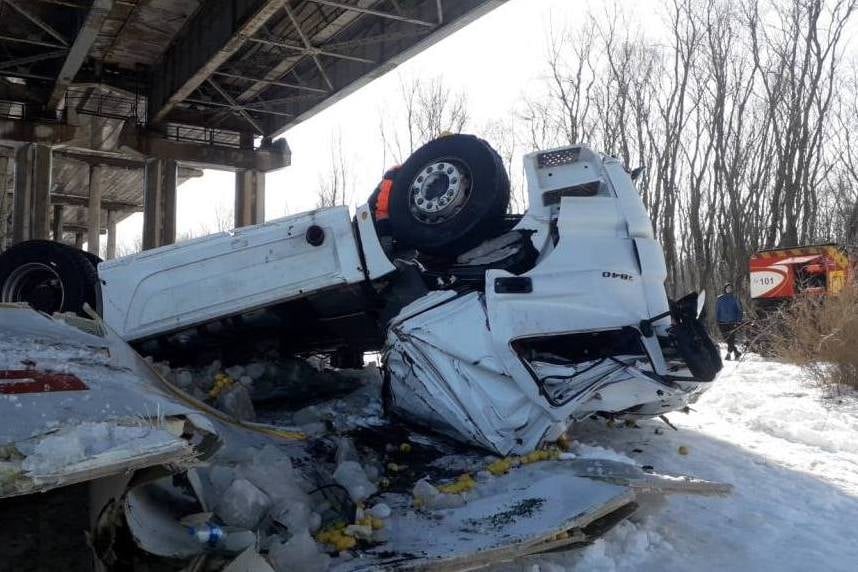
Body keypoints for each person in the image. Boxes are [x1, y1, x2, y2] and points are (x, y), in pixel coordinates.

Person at [716, 282, 743, 360]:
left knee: (731, 338)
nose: (729, 289)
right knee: (727, 339)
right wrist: (717, 320)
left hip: (732, 322)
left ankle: (728, 354)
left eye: (730, 288)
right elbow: (717, 311)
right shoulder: (720, 299)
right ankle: (736, 352)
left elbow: (740, 311)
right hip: (721, 322)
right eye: (727, 288)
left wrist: (738, 321)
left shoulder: (735, 298)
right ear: (724, 289)